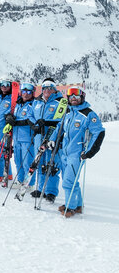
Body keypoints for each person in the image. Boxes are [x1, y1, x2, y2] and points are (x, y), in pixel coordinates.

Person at [44, 87, 104, 217]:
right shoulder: (69, 112)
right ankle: (77, 205)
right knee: (72, 181)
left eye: (76, 95)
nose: (73, 98)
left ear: (82, 96)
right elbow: (59, 127)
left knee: (68, 182)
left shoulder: (88, 114)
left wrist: (89, 152)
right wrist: (52, 139)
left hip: (77, 154)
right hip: (65, 152)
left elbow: (98, 132)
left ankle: (70, 208)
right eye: (70, 95)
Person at [30, 78, 65, 201]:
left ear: (54, 90)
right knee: (39, 161)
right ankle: (40, 189)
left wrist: (47, 122)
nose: (47, 90)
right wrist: (34, 123)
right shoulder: (37, 102)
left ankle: (51, 192)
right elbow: (30, 114)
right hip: (39, 135)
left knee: (52, 164)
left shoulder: (60, 102)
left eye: (50, 88)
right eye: (45, 88)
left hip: (52, 136)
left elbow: (62, 121)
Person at [3, 83, 37, 188]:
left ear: (32, 93)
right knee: (18, 160)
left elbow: (30, 121)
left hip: (28, 138)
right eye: (24, 92)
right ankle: (20, 180)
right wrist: (8, 117)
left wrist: (16, 123)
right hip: (17, 138)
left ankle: (29, 184)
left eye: (28, 92)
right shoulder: (17, 104)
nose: (26, 94)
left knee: (27, 162)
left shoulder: (34, 105)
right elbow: (10, 113)